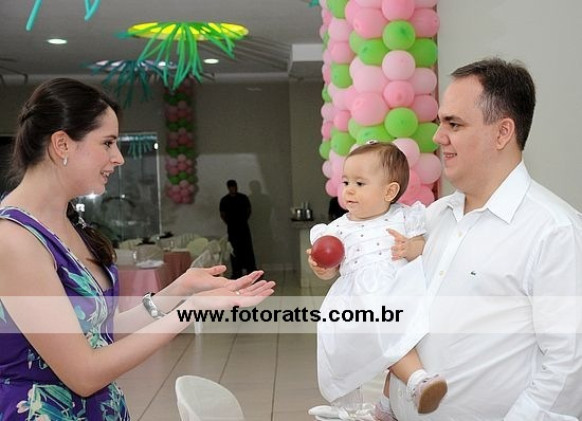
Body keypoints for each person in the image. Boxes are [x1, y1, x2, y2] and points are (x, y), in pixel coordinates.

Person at [0, 78, 275, 420]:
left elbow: (104, 332)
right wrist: (191, 311)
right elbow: (84, 374)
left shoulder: (67, 222)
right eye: (108, 143)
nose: (118, 158)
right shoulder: (14, 239)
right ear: (62, 144)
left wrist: (180, 289)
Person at [389, 58, 582, 420]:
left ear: (502, 132)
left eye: (454, 124)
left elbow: (570, 367)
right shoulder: (433, 218)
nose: (438, 137)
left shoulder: (554, 231)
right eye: (440, 122)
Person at [307, 142, 448, 420]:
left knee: (397, 338)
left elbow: (423, 247)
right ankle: (393, 391)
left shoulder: (405, 217)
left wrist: (410, 247)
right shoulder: (337, 229)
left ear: (389, 191)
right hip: (358, 301)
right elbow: (331, 269)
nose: (349, 190)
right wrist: (323, 269)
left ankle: (406, 389)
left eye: (359, 183)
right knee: (373, 340)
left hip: (396, 290)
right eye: (346, 182)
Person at [219, 179, 257, 278]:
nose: (233, 189)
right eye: (231, 187)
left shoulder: (243, 198)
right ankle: (236, 271)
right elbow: (222, 214)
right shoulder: (225, 200)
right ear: (228, 188)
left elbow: (248, 210)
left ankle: (251, 270)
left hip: (243, 227)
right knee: (234, 250)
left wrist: (243, 220)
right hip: (232, 229)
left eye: (234, 187)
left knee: (247, 249)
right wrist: (229, 223)